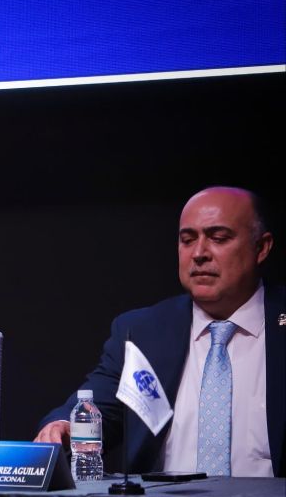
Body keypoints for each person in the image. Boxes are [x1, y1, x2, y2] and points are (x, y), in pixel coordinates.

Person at [35, 186, 284, 477]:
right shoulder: (143, 331)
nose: (199, 253)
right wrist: (64, 425)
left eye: (218, 238)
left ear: (261, 247)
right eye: (187, 240)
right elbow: (98, 407)